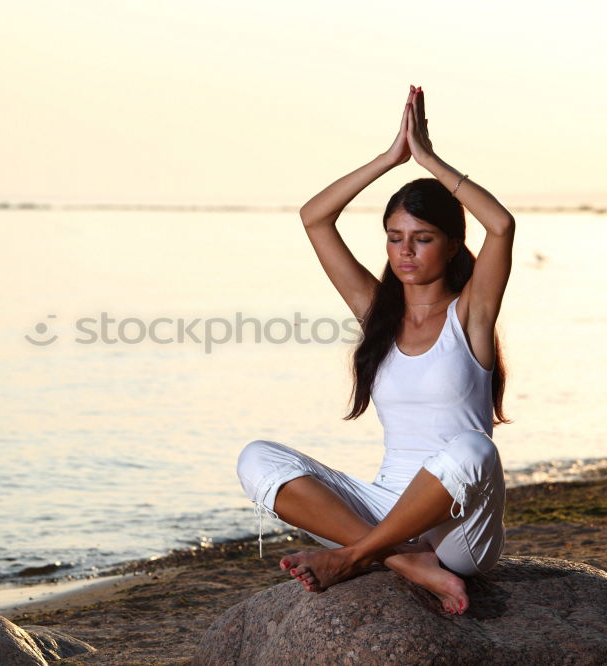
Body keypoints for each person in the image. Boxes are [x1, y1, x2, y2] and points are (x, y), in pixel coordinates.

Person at [236, 85, 514, 615]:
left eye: (422, 238)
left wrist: (428, 159)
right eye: (394, 236)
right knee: (256, 458)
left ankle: (355, 556)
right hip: (386, 507)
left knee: (476, 450)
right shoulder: (378, 313)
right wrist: (391, 158)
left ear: (452, 243)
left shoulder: (470, 315)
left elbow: (501, 225)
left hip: (460, 528)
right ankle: (403, 560)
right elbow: (315, 216)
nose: (404, 251)